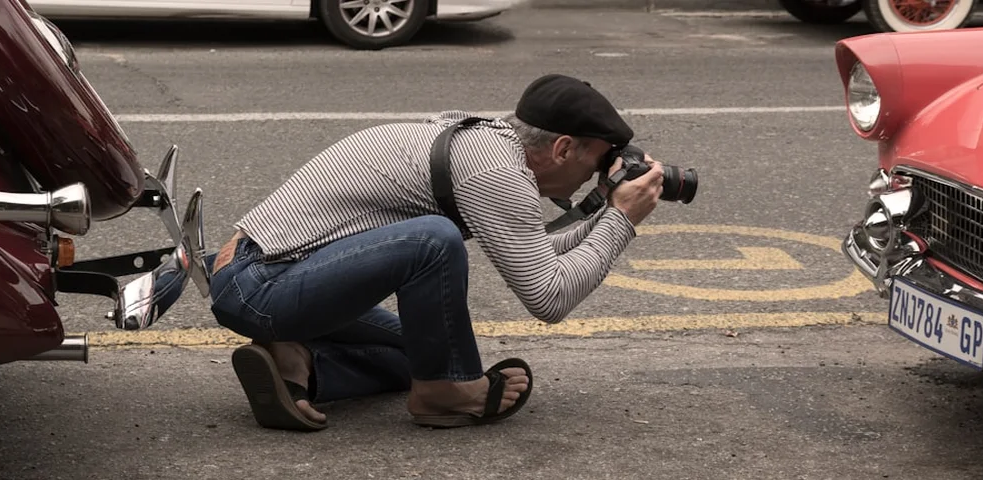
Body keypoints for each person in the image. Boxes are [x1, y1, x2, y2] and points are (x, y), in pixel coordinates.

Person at [205, 74, 665, 432]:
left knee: (425, 350)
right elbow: (549, 297)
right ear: (563, 147)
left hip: (269, 276)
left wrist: (607, 211)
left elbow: (534, 253)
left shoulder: (483, 142)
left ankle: (301, 361)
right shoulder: (495, 173)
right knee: (434, 239)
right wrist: (620, 221)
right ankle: (445, 392)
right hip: (260, 285)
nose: (593, 176)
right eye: (596, 162)